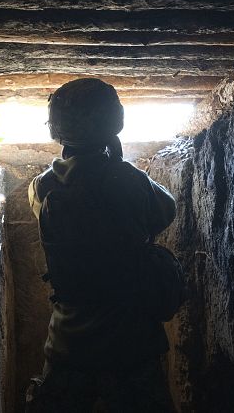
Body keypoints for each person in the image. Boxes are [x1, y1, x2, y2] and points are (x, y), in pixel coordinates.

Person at [26, 78, 177, 412]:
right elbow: (166, 210)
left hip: (68, 344)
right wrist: (119, 162)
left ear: (57, 130)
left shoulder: (43, 188)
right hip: (131, 342)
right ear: (115, 123)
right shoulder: (128, 180)